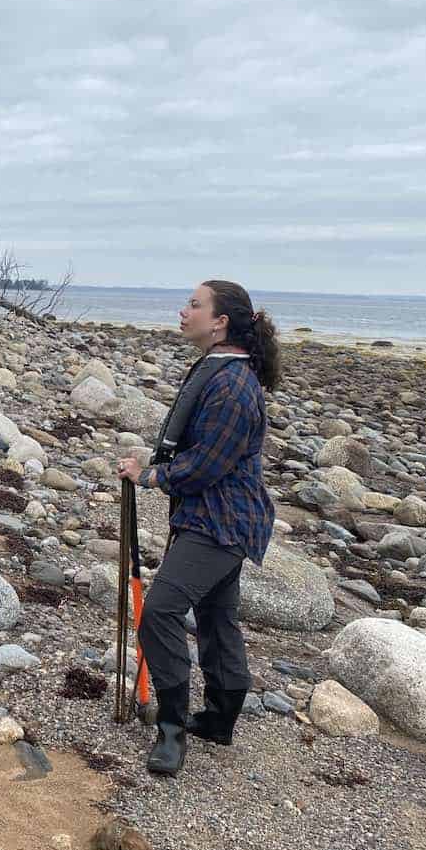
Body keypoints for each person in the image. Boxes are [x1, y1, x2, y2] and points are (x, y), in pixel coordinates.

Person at [116, 280, 280, 776]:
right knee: (216, 618)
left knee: (160, 613)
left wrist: (149, 476)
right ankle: (219, 721)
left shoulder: (232, 385)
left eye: (194, 304)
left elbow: (207, 465)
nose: (184, 311)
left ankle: (171, 730)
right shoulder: (217, 369)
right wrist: (153, 464)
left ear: (221, 321)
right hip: (213, 518)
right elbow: (199, 453)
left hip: (222, 523)